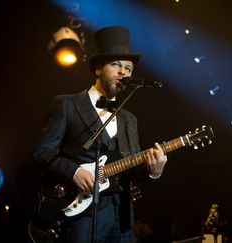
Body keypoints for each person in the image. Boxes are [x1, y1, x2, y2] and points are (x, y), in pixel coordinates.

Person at [32, 26, 168, 243]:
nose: (123, 72)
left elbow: (133, 169)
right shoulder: (67, 104)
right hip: (81, 210)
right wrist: (75, 171)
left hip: (121, 215)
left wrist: (154, 171)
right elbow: (41, 152)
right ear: (97, 69)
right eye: (116, 65)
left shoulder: (129, 119)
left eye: (128, 68)